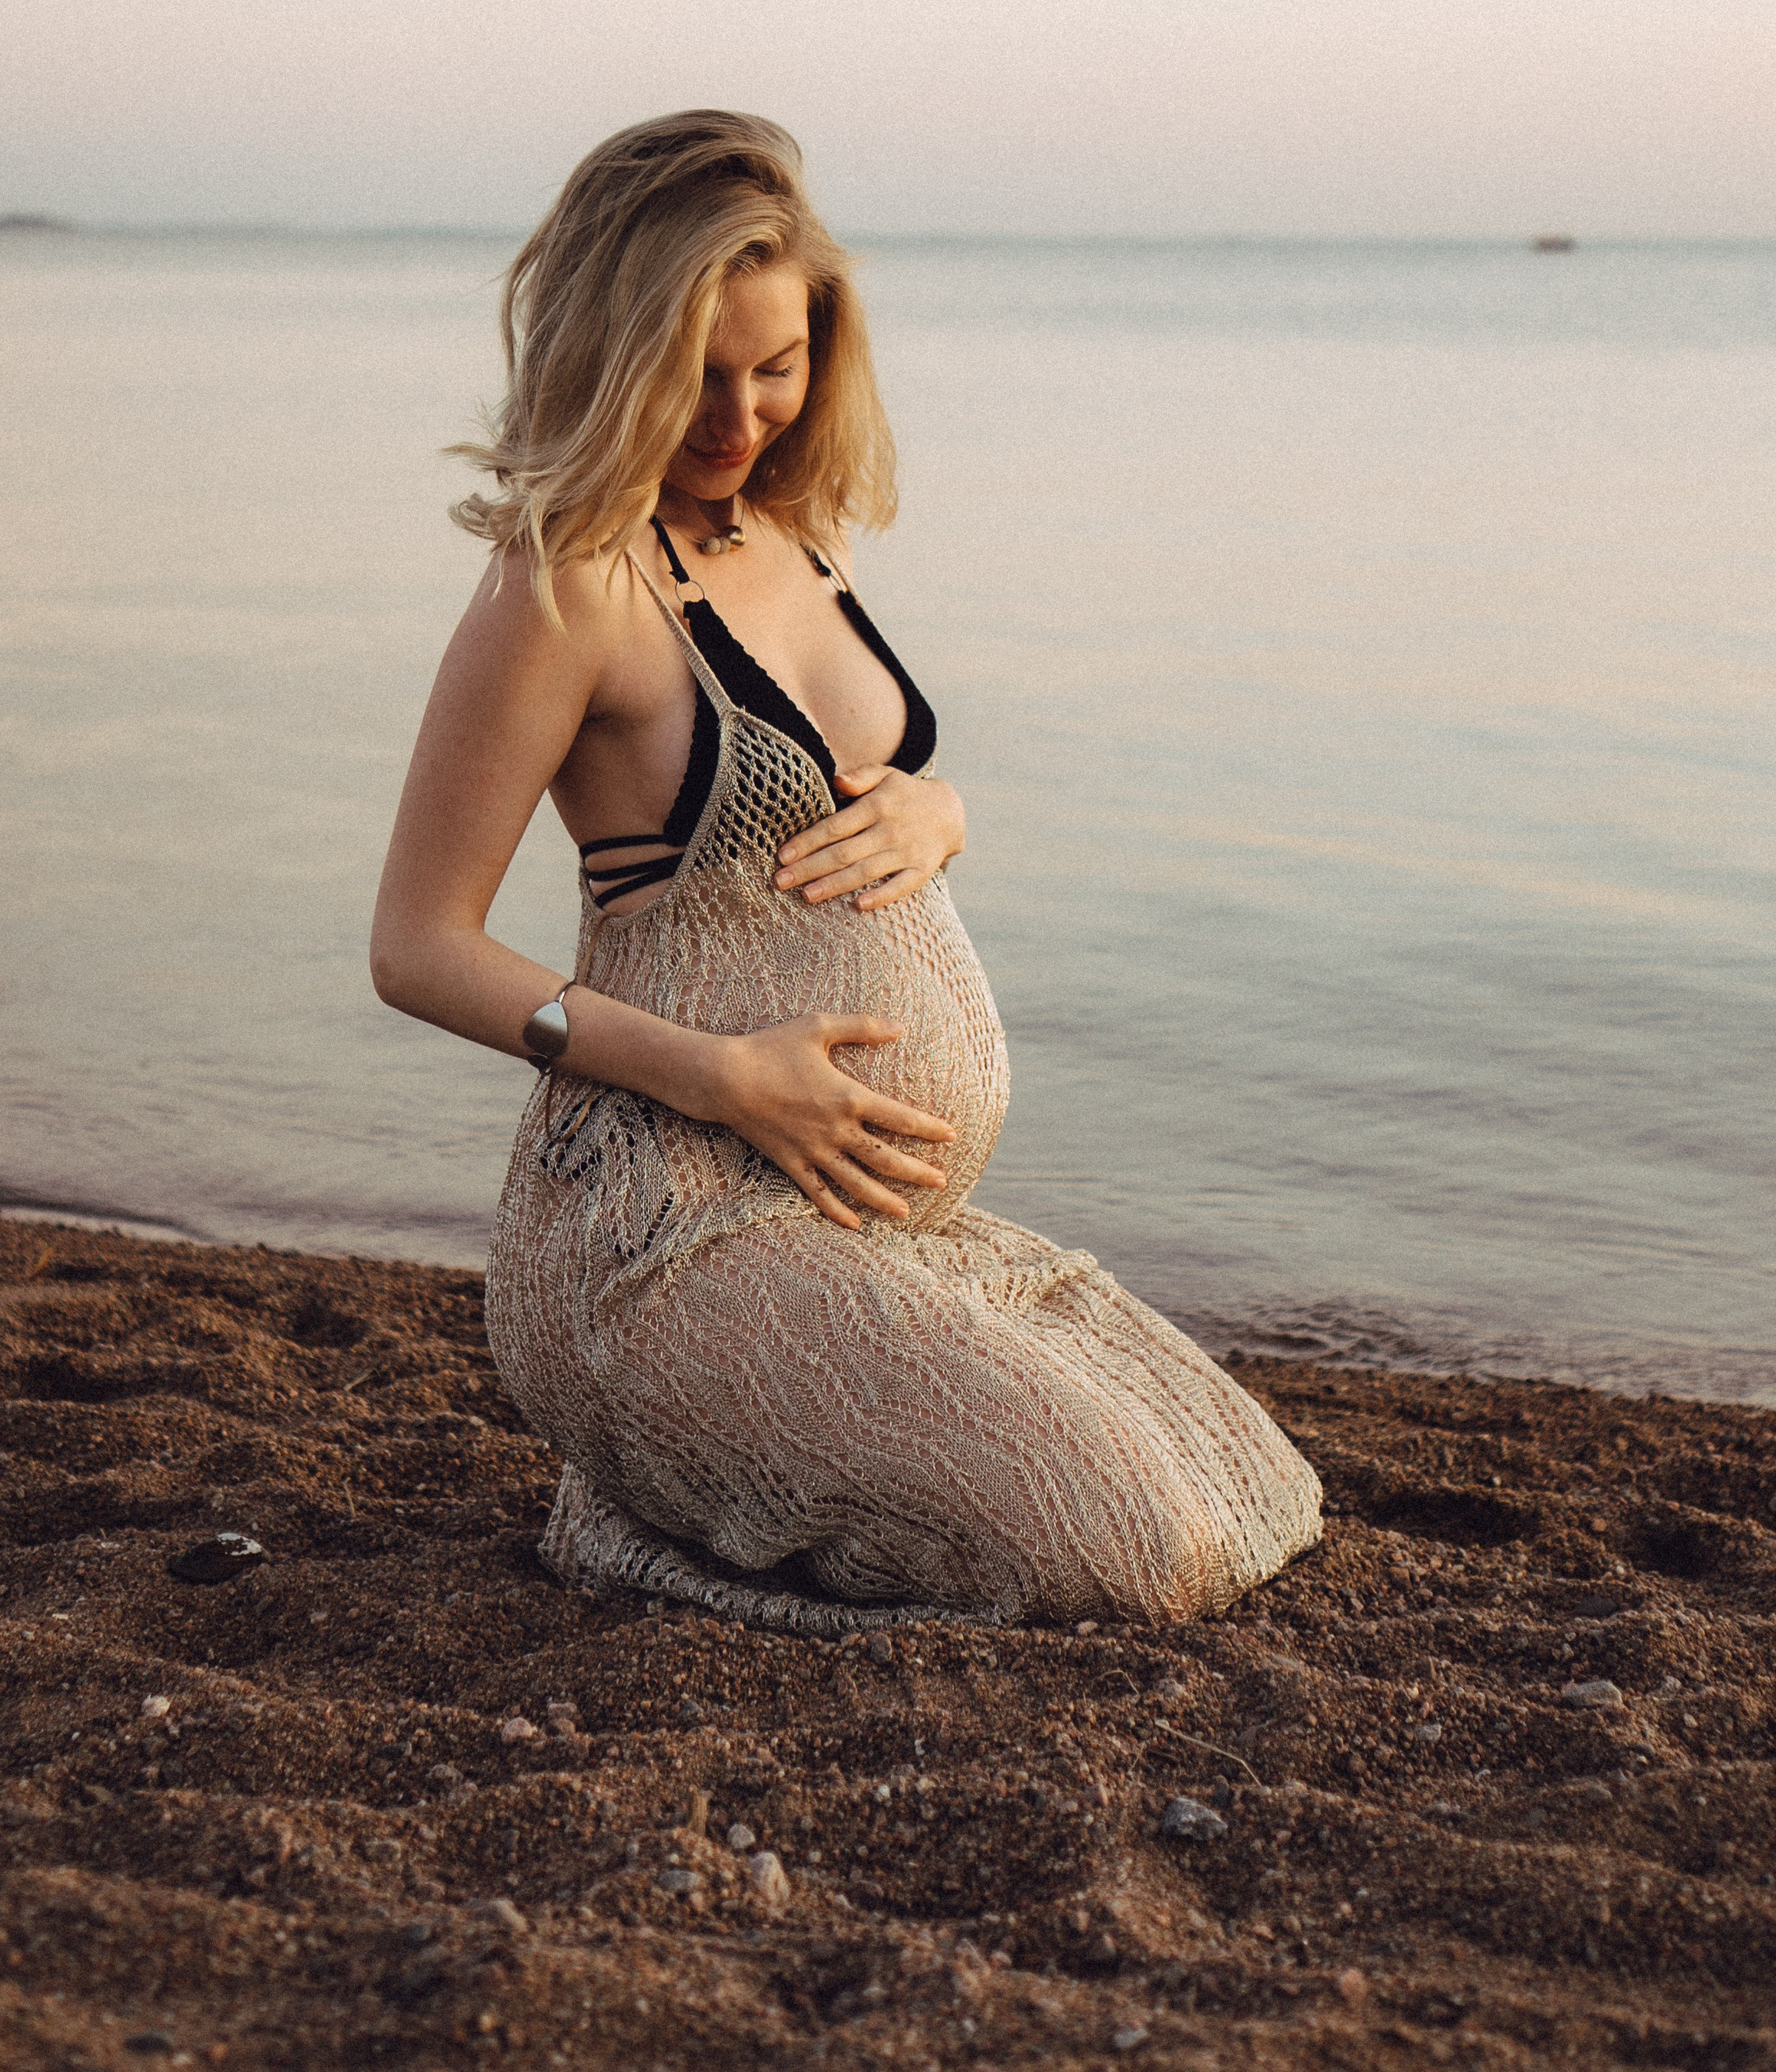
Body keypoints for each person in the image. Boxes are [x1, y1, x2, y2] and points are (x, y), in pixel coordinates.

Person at [371, 111, 1321, 1628]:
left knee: (1253, 1491)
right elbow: (419, 946)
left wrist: (943, 812)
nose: (739, 415)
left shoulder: (801, 536)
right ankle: (627, 1526)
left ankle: (706, 1482)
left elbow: (847, 781)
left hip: (853, 1224)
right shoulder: (568, 586)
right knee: (1134, 1561)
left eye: (779, 365)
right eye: (697, 372)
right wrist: (720, 1078)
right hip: (663, 1234)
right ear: (615, 352)